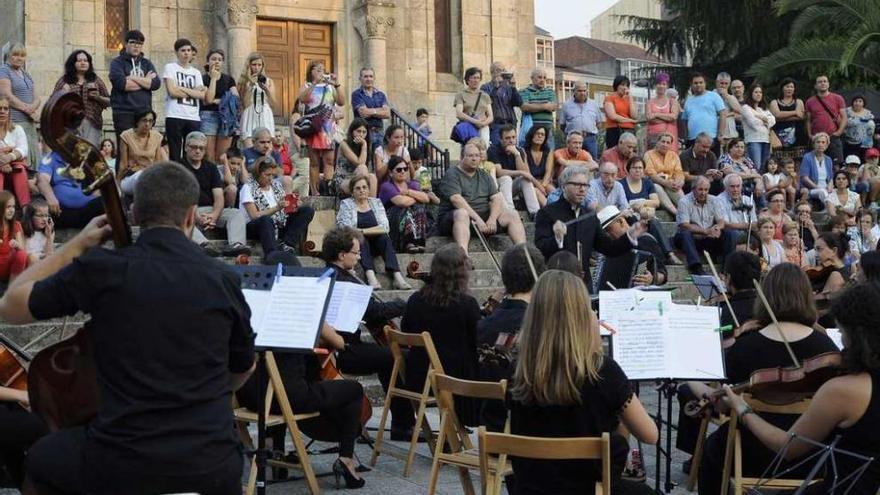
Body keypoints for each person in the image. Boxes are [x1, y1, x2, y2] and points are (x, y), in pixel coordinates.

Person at [0, 162, 256, 494]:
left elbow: (10, 305)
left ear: (134, 214)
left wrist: (78, 245)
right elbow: (243, 368)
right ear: (192, 215)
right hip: (212, 463)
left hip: (123, 460)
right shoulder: (224, 279)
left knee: (41, 459)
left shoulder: (102, 269)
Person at [508, 269, 659, 495]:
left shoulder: (518, 372)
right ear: (582, 315)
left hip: (532, 489)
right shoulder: (603, 371)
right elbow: (650, 435)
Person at [694, 263, 840, 495]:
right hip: (811, 456)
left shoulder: (747, 346)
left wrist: (698, 386)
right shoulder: (825, 347)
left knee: (710, 451)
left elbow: (723, 407)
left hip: (752, 454)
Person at [722, 282, 880, 495]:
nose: (842, 341)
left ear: (856, 335)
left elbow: (787, 447)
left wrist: (743, 409)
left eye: (842, 332)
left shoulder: (843, 390)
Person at [236, 318, 367, 489]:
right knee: (354, 389)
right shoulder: (304, 310)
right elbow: (339, 342)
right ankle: (346, 460)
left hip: (251, 396)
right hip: (289, 397)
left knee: (277, 383)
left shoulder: (259, 314)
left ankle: (278, 453)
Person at [401, 244, 481, 425]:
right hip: (454, 381)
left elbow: (406, 330)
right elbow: (478, 340)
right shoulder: (467, 304)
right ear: (461, 272)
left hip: (419, 377)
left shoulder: (415, 300)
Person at [534, 165, 645, 288]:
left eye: (585, 185)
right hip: (557, 283)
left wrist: (630, 236)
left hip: (584, 285)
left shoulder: (589, 216)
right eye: (577, 185)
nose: (582, 189)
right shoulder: (547, 213)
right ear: (564, 186)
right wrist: (557, 239)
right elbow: (540, 247)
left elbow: (609, 249)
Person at [438, 143, 526, 254]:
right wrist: (478, 220)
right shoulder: (452, 174)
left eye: (477, 155)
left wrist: (492, 219)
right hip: (456, 220)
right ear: (462, 157)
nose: (474, 159)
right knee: (462, 213)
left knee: (512, 214)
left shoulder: (485, 175)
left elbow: (497, 198)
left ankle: (523, 253)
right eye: (470, 156)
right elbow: (456, 199)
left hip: (484, 221)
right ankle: (464, 257)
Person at [336, 175, 411, 290]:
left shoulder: (376, 203)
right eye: (358, 188)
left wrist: (363, 231)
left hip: (377, 243)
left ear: (368, 189)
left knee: (384, 238)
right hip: (357, 245)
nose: (362, 190)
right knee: (360, 239)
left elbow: (385, 227)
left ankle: (397, 276)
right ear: (352, 191)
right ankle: (370, 276)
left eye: (364, 187)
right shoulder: (346, 204)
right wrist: (364, 232)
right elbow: (346, 228)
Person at [183, 131, 250, 257]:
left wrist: (214, 215)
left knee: (235, 213)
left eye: (201, 148)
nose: (198, 151)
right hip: (189, 210)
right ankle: (204, 245)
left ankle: (237, 245)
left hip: (210, 209)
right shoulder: (179, 167)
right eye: (194, 147)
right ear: (186, 147)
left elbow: (219, 197)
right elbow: (180, 199)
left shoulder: (211, 168)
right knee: (179, 216)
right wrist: (197, 217)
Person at [239, 156, 314, 257]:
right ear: (258, 174)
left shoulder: (276, 185)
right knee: (265, 219)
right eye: (267, 175)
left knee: (307, 210)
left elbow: (284, 210)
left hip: (278, 223)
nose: (270, 178)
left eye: (273, 175)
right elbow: (254, 215)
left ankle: (287, 244)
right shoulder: (247, 188)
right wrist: (276, 208)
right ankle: (272, 254)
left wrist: (294, 205)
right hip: (256, 226)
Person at [593, 205, 668, 291]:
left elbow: (663, 275)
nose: (607, 235)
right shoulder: (607, 248)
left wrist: (651, 278)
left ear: (621, 221)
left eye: (608, 230)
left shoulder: (645, 240)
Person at [620, 156, 679, 264]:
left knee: (654, 222)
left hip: (647, 214)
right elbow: (621, 204)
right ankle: (659, 256)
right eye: (634, 168)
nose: (638, 170)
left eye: (640, 168)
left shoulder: (647, 183)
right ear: (628, 169)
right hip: (630, 216)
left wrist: (642, 203)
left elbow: (656, 202)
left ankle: (669, 254)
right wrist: (634, 207)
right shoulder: (621, 184)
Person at [674, 176, 736, 275]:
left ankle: (726, 270)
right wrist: (706, 231)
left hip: (708, 239)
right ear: (693, 189)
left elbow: (721, 221)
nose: (703, 193)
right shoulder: (684, 201)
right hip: (690, 239)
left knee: (730, 234)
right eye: (700, 189)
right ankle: (696, 267)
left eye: (706, 189)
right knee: (685, 233)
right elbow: (684, 225)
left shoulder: (714, 200)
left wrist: (717, 228)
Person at [298, 60, 344, 194]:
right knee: (314, 162)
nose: (320, 72)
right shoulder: (306, 85)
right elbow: (302, 99)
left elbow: (341, 102)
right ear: (311, 71)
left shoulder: (329, 87)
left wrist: (337, 85)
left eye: (322, 70)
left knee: (329, 160)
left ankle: (328, 190)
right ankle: (315, 191)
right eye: (317, 69)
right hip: (313, 127)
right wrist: (314, 84)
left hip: (328, 128)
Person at [108, 30, 161, 141]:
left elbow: (156, 84)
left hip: (144, 112)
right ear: (126, 44)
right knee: (125, 148)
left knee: (144, 148)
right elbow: (122, 84)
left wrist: (133, 78)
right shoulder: (117, 63)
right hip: (123, 112)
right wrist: (146, 81)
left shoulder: (147, 63)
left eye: (140, 44)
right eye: (133, 42)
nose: (136, 46)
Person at [52, 50, 110, 146]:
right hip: (70, 123)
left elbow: (109, 102)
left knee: (90, 153)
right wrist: (63, 93)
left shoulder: (96, 80)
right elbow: (53, 102)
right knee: (72, 153)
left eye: (85, 60)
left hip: (92, 122)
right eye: (79, 61)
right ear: (73, 63)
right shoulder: (64, 80)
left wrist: (98, 97)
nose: (83, 63)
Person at [162, 39, 206, 163]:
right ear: (177, 52)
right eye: (183, 50)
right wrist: (193, 91)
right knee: (175, 152)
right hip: (175, 114)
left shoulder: (196, 72)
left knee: (193, 151)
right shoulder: (170, 67)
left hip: (193, 117)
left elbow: (202, 95)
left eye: (189, 50)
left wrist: (181, 88)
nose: (186, 53)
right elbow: (172, 92)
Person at [36, 151, 104, 229]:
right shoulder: (52, 157)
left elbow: (97, 184)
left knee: (103, 203)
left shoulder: (86, 158)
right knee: (41, 205)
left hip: (87, 209)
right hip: (60, 210)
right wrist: (50, 197)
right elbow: (42, 179)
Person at [0, 43, 40, 171]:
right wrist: (27, 109)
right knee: (20, 157)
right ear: (9, 56)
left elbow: (37, 98)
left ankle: (32, 187)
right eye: (15, 55)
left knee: (33, 158)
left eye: (22, 55)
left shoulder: (26, 74)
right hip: (16, 121)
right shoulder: (4, 70)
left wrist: (33, 108)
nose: (19, 58)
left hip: (29, 121)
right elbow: (6, 95)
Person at [379, 156, 431, 253]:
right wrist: (416, 197)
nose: (403, 171)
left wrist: (408, 192)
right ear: (390, 173)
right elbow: (401, 202)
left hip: (412, 219)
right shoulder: (387, 186)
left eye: (405, 169)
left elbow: (426, 198)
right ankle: (408, 243)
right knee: (404, 209)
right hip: (392, 223)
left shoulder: (412, 185)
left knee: (419, 208)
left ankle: (419, 242)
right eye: (399, 169)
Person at [491, 124, 543, 217]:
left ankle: (535, 213)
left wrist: (516, 154)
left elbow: (526, 174)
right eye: (507, 138)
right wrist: (520, 172)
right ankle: (510, 212)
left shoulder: (519, 150)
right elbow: (499, 172)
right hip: (497, 188)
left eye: (513, 137)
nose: (511, 141)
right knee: (506, 178)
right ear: (500, 139)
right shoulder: (493, 150)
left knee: (525, 179)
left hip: (512, 187)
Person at [200, 49, 238, 162]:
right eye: (213, 59)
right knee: (208, 157)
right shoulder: (203, 78)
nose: (217, 62)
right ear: (208, 62)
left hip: (227, 118)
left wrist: (217, 101)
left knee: (222, 157)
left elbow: (235, 98)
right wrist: (213, 79)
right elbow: (207, 100)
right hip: (208, 116)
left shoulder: (229, 79)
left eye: (220, 60)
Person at [117, 109, 167, 196]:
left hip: (150, 176)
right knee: (141, 177)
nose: (147, 124)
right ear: (137, 121)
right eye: (144, 120)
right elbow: (123, 164)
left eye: (150, 121)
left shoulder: (157, 137)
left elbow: (158, 163)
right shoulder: (126, 135)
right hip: (131, 176)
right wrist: (117, 183)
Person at [805, 74, 847, 165]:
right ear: (816, 86)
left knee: (836, 165)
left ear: (828, 84)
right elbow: (808, 120)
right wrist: (809, 135)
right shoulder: (810, 101)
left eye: (825, 81)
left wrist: (839, 132)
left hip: (833, 136)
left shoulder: (838, 98)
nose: (822, 83)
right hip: (816, 138)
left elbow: (844, 117)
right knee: (815, 164)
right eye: (820, 82)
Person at [681, 72, 727, 154]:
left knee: (712, 165)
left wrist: (720, 134)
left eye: (701, 82)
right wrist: (685, 137)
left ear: (705, 83)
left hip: (711, 138)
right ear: (691, 84)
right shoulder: (688, 100)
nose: (698, 85)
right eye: (695, 83)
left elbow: (723, 114)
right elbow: (684, 120)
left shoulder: (714, 96)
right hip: (693, 139)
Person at [237, 52, 275, 148]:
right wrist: (250, 85)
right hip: (250, 113)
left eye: (259, 65)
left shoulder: (269, 81)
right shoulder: (244, 81)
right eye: (254, 65)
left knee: (266, 147)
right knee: (249, 147)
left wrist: (266, 89)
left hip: (265, 113)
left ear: (263, 66)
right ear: (249, 66)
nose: (257, 68)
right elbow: (245, 104)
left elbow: (273, 103)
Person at [481, 61, 522, 147]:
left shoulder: (508, 87)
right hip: (496, 125)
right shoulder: (485, 87)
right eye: (500, 70)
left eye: (504, 69)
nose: (503, 72)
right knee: (497, 148)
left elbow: (518, 102)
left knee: (512, 149)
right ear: (492, 72)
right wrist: (496, 87)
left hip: (510, 123)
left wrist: (514, 87)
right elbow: (487, 102)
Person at [644, 132, 685, 215]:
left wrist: (679, 182)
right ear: (657, 142)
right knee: (656, 187)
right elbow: (651, 174)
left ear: (670, 145)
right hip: (655, 183)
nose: (665, 145)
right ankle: (676, 213)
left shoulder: (674, 155)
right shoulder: (648, 154)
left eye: (668, 143)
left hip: (671, 183)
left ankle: (686, 211)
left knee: (676, 188)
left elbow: (679, 172)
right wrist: (666, 183)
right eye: (663, 141)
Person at [334, 118, 378, 197]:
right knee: (362, 168)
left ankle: (372, 206)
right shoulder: (344, 144)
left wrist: (364, 146)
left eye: (364, 132)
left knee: (373, 177)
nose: (361, 135)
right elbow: (360, 164)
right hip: (343, 180)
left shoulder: (367, 147)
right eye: (358, 131)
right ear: (352, 132)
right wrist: (364, 145)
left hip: (361, 180)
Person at [559, 82, 603, 159]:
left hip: (590, 139)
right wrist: (571, 135)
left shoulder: (594, 104)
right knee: (573, 162)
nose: (582, 93)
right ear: (574, 91)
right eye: (579, 91)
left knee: (592, 162)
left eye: (584, 90)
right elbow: (562, 125)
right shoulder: (566, 105)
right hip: (573, 140)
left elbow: (599, 123)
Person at [0, 96, 30, 207]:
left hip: (14, 167)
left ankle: (25, 209)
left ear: (9, 111)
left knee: (20, 169)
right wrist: (2, 162)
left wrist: (9, 157)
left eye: (5, 108)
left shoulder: (17, 129)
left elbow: (23, 149)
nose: (2, 111)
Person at [351, 67, 390, 150]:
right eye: (365, 77)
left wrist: (371, 111)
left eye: (371, 76)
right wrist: (379, 110)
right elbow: (363, 113)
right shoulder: (357, 94)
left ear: (374, 78)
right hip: (363, 132)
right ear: (360, 79)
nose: (368, 79)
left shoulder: (381, 95)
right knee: (365, 159)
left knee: (378, 159)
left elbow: (387, 114)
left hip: (379, 132)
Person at [741, 82, 775, 172]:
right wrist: (764, 119)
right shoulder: (746, 108)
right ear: (751, 93)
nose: (758, 94)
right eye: (756, 92)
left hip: (766, 140)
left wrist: (761, 118)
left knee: (764, 167)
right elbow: (753, 123)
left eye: (760, 92)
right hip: (753, 141)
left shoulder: (763, 109)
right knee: (756, 166)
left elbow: (773, 120)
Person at [454, 67, 493, 146]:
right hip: (468, 127)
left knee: (483, 149)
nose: (476, 80)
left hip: (483, 127)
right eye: (473, 78)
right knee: (468, 149)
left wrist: (483, 124)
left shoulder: (485, 95)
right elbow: (459, 114)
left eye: (478, 78)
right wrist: (475, 121)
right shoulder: (461, 94)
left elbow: (491, 116)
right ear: (468, 79)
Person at [519, 68, 557, 148]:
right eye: (539, 77)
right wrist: (545, 106)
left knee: (549, 155)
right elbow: (525, 107)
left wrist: (533, 105)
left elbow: (553, 107)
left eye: (544, 78)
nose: (542, 80)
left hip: (547, 131)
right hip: (530, 130)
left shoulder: (550, 92)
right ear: (532, 78)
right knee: (528, 155)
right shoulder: (524, 91)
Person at [719, 138, 764, 202]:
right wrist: (751, 175)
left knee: (760, 189)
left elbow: (755, 174)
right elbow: (731, 173)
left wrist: (758, 183)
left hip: (751, 186)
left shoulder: (747, 160)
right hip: (734, 186)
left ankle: (763, 210)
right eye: (737, 147)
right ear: (730, 149)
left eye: (742, 147)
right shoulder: (725, 158)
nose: (740, 149)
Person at [810, 232, 849, 305]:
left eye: (819, 249)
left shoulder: (837, 275)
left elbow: (824, 304)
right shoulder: (825, 270)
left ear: (834, 251)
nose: (815, 254)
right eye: (815, 249)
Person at [646, 72, 681, 152]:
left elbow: (674, 117)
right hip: (653, 137)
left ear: (667, 86)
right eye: (659, 84)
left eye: (664, 84)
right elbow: (649, 118)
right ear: (655, 85)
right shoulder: (649, 102)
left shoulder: (673, 101)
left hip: (670, 137)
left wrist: (656, 114)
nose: (661, 86)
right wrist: (667, 118)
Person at [716, 174, 757, 239]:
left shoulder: (748, 200)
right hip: (730, 234)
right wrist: (746, 225)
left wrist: (748, 226)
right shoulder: (718, 200)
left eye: (738, 186)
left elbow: (754, 223)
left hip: (748, 232)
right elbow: (726, 224)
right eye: (732, 186)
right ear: (726, 188)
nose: (735, 189)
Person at [769, 78, 806, 149]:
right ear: (782, 88)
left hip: (798, 136)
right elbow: (777, 115)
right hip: (777, 138)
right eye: (787, 86)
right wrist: (795, 112)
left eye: (791, 87)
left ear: (794, 89)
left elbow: (801, 116)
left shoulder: (799, 101)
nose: (789, 89)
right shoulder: (774, 102)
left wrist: (782, 117)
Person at [604, 75, 638, 149]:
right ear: (616, 85)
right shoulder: (609, 98)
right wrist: (630, 120)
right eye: (622, 85)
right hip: (615, 130)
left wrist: (631, 98)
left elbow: (634, 116)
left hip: (629, 130)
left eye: (627, 85)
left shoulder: (629, 99)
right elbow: (612, 116)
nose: (625, 87)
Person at [800, 132, 835, 205]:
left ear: (827, 145)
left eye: (823, 142)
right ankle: (831, 211)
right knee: (822, 192)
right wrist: (818, 187)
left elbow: (831, 178)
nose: (820, 144)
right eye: (818, 142)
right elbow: (804, 178)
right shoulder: (807, 157)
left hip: (825, 188)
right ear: (814, 144)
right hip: (812, 189)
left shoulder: (828, 159)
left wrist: (830, 188)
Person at [523, 124, 553, 201]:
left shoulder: (548, 151)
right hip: (529, 183)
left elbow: (548, 172)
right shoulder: (524, 151)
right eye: (537, 133)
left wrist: (543, 185)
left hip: (543, 182)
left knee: (552, 190)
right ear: (531, 135)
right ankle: (549, 211)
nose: (540, 136)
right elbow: (527, 174)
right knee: (537, 192)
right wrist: (539, 187)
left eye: (542, 134)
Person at [0, 191, 25, 282]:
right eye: (8, 207)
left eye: (13, 206)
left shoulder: (15, 225)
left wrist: (17, 245)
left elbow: (22, 248)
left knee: (21, 254)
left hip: (8, 267)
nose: (12, 210)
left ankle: (12, 287)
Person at [22, 198, 53, 266]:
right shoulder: (24, 230)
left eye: (46, 215)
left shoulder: (49, 231)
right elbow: (23, 253)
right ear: (30, 217)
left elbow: (49, 253)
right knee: (33, 257)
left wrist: (49, 237)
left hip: (43, 262)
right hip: (29, 262)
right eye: (40, 216)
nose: (44, 219)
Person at [845, 95, 876, 162]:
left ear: (863, 103)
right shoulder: (847, 112)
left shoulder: (868, 114)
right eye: (856, 101)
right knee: (853, 162)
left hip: (866, 144)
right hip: (851, 143)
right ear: (852, 102)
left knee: (864, 163)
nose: (857, 103)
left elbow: (873, 127)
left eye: (860, 101)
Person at [714, 72, 741, 148]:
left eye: (726, 84)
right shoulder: (711, 95)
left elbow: (739, 110)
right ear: (717, 83)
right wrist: (730, 114)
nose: (723, 86)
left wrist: (726, 96)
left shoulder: (731, 97)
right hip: (715, 133)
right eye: (721, 83)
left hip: (730, 134)